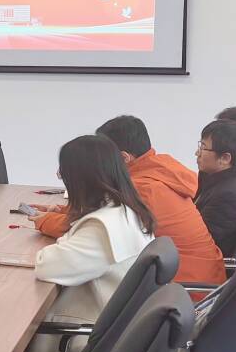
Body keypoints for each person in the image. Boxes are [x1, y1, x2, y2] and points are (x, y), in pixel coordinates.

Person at [32, 115, 225, 285]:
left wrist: (44, 221)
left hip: (184, 287)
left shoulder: (142, 188)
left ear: (123, 158)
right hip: (195, 275)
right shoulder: (160, 169)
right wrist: (61, 210)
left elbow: (94, 230)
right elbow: (99, 210)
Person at [25, 135, 155, 352]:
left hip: (87, 336)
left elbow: (47, 265)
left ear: (81, 178)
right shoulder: (127, 210)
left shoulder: (102, 226)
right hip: (117, 326)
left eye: (63, 173)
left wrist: (64, 239)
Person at [194, 119, 236, 257]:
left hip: (207, 263)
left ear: (225, 158)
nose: (197, 153)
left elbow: (198, 242)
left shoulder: (230, 197)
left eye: (203, 148)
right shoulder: (218, 181)